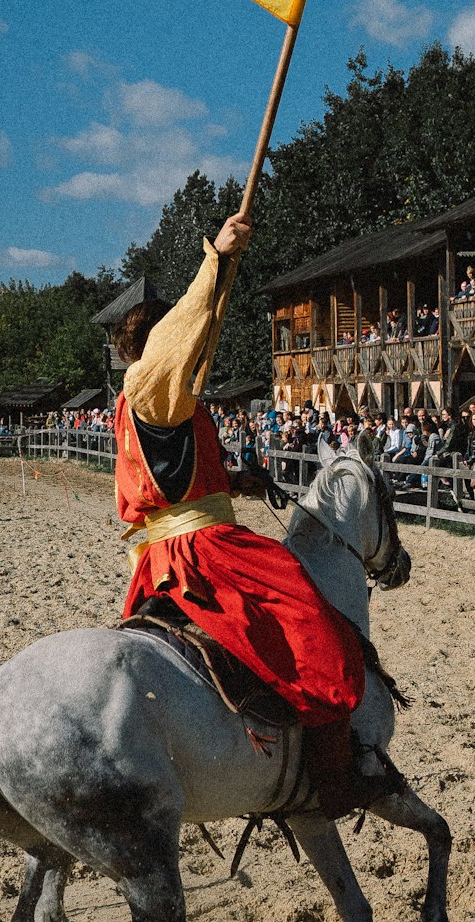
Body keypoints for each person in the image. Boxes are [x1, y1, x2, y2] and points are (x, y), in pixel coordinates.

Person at [112, 211, 398, 819]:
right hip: (197, 551)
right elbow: (179, 338)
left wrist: (239, 480)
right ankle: (333, 775)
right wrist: (214, 260)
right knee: (310, 620)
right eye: (181, 337)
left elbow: (176, 480)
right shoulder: (150, 384)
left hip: (168, 545)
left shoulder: (171, 401)